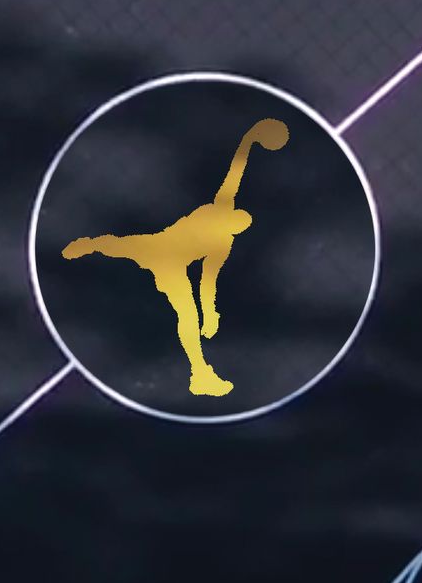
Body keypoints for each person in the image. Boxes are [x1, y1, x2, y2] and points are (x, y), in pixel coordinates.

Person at [63, 117, 288, 396]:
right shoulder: (221, 205)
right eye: (238, 218)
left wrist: (210, 313)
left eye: (239, 225)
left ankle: (199, 373)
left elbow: (208, 281)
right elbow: (236, 170)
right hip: (159, 245)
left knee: (187, 316)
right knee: (115, 246)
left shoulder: (221, 245)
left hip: (171, 265)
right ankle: (87, 245)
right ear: (233, 215)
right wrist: (250, 140)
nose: (236, 222)